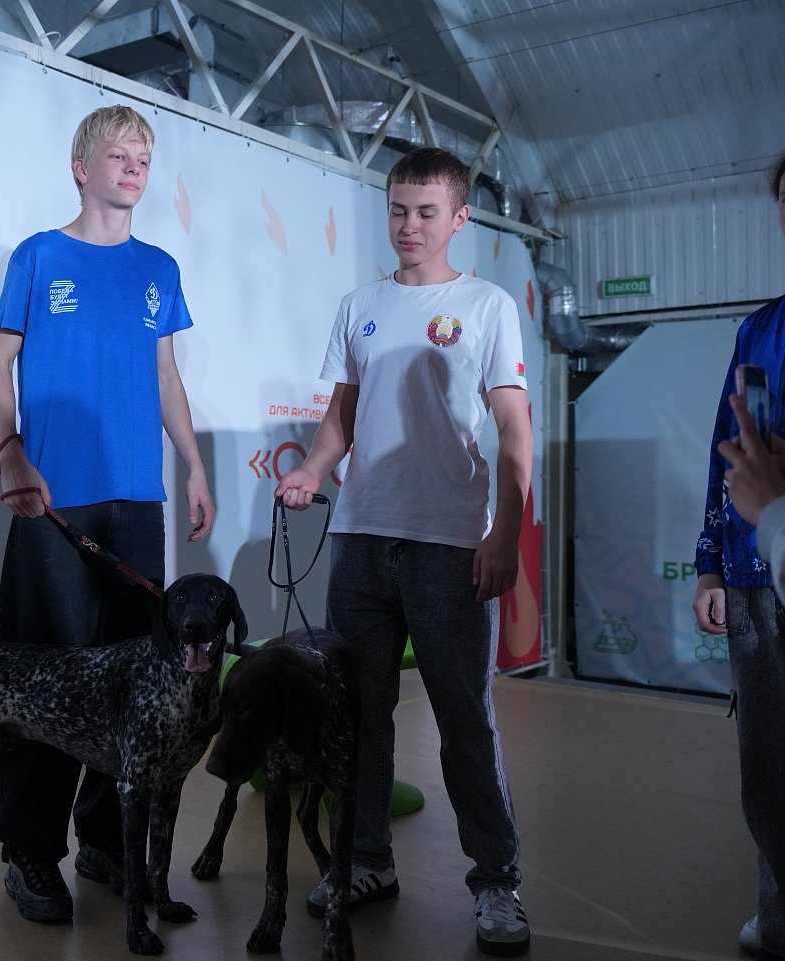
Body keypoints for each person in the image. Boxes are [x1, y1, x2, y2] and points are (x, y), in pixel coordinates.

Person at [275, 146, 534, 956]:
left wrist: (505, 532)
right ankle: (364, 861)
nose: (409, 225)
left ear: (460, 218)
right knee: (355, 716)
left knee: (465, 720)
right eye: (398, 209)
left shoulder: (487, 304)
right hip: (359, 540)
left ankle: (496, 882)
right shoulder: (360, 304)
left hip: (450, 545)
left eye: (426, 211)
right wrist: (312, 468)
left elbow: (515, 429)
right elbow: (343, 414)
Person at [0, 103, 215, 924]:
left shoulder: (160, 269)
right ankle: (31, 854)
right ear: (82, 168)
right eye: (119, 155)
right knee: (44, 682)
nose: (134, 168)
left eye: (144, 158)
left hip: (137, 503)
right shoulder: (40, 256)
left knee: (132, 685)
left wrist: (192, 464)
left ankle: (108, 843)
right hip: (54, 501)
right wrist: (10, 452)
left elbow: (167, 377)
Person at [693, 152, 785, 961]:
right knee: (768, 767)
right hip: (758, 578)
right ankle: (778, 915)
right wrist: (712, 564)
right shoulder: (758, 330)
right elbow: (729, 451)